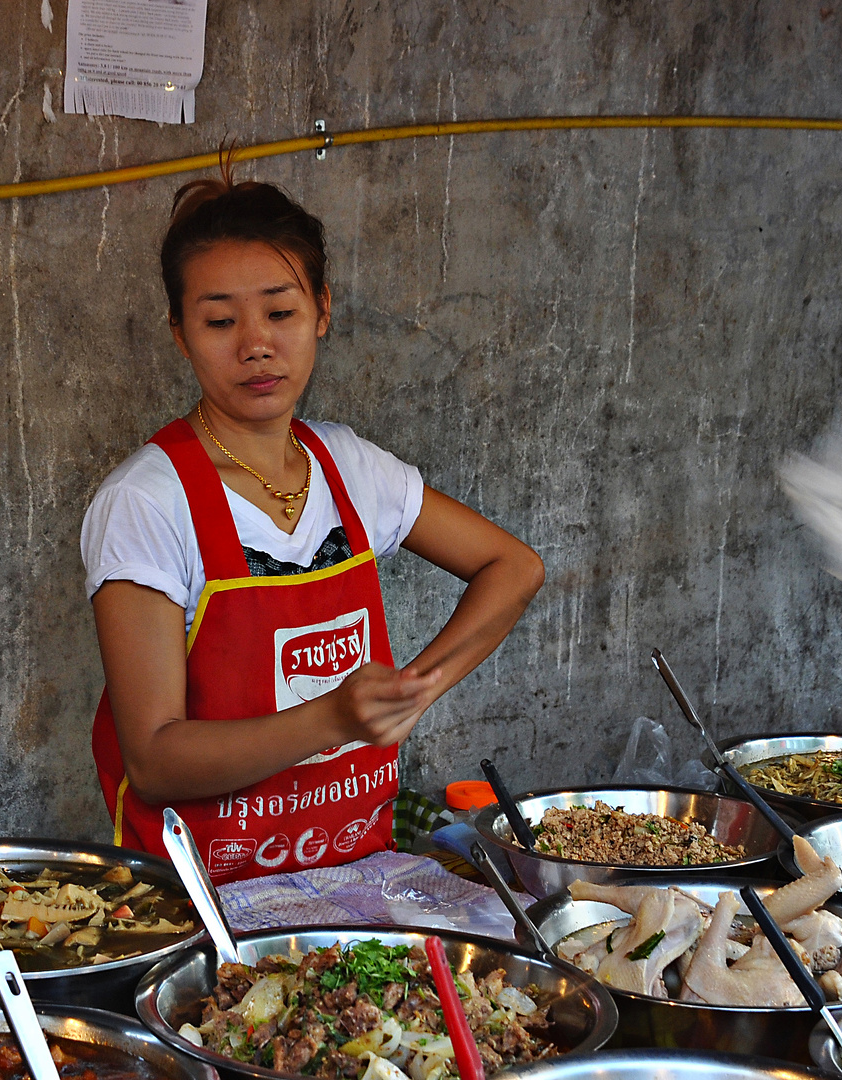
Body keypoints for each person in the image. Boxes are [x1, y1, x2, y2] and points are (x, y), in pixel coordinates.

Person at [82, 164, 545, 883]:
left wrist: (414, 691)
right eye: (219, 321)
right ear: (180, 333)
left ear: (322, 311)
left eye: (280, 312)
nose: (255, 344)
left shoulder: (351, 469)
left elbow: (514, 569)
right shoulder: (147, 501)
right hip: (206, 906)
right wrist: (332, 719)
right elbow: (153, 761)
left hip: (355, 876)